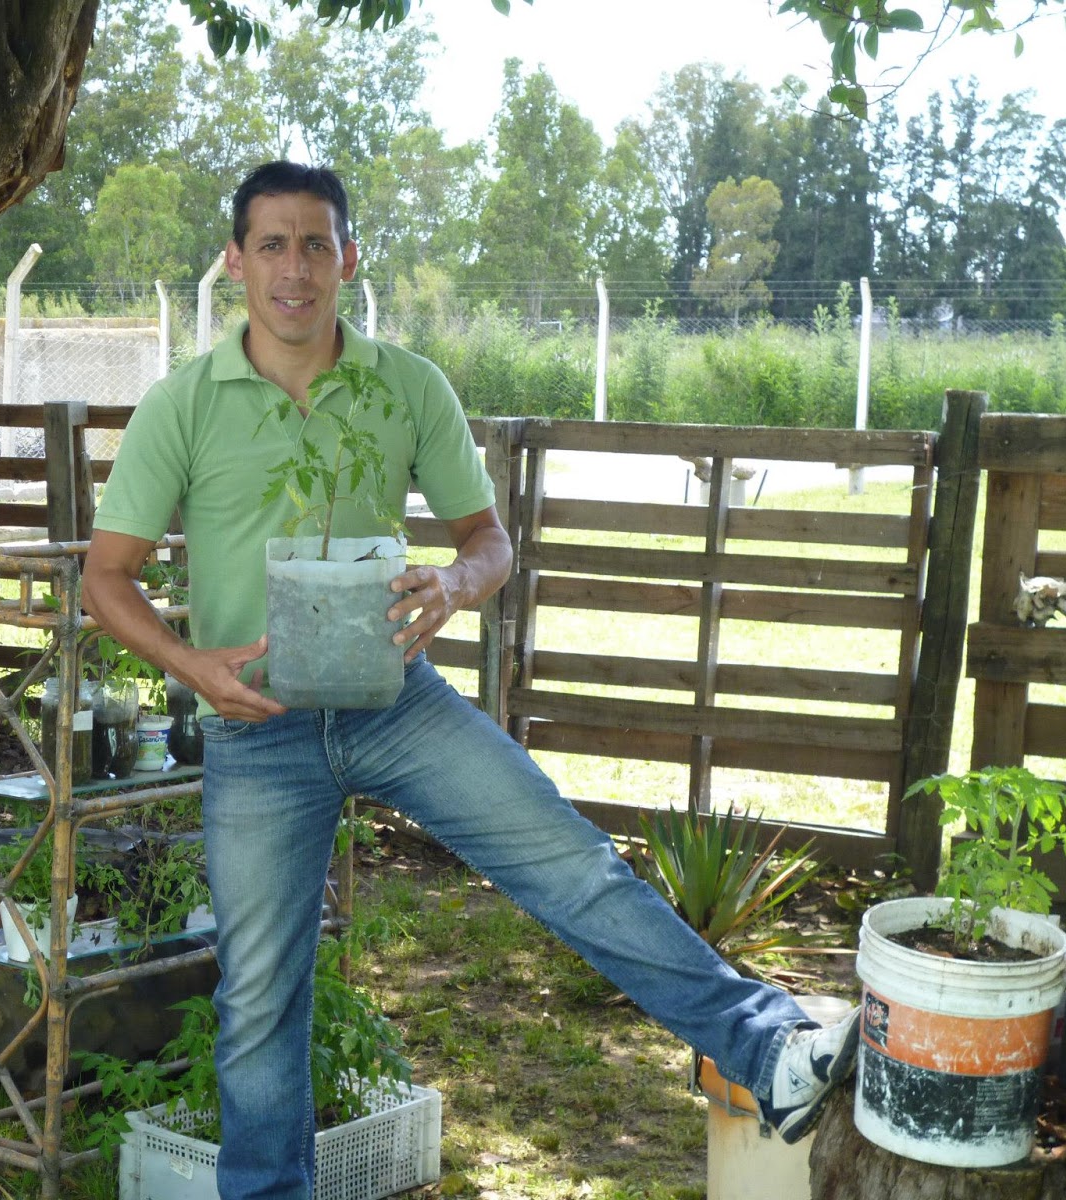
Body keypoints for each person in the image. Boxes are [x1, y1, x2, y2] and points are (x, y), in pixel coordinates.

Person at [82, 160, 858, 1199]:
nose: (295, 268)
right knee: (259, 998)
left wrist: (453, 583)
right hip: (254, 726)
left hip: (397, 704)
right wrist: (188, 666)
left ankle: (770, 1051)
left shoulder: (408, 386)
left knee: (574, 865)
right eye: (272, 244)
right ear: (235, 261)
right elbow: (107, 578)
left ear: (348, 258)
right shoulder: (181, 404)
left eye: (316, 244)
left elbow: (490, 541)